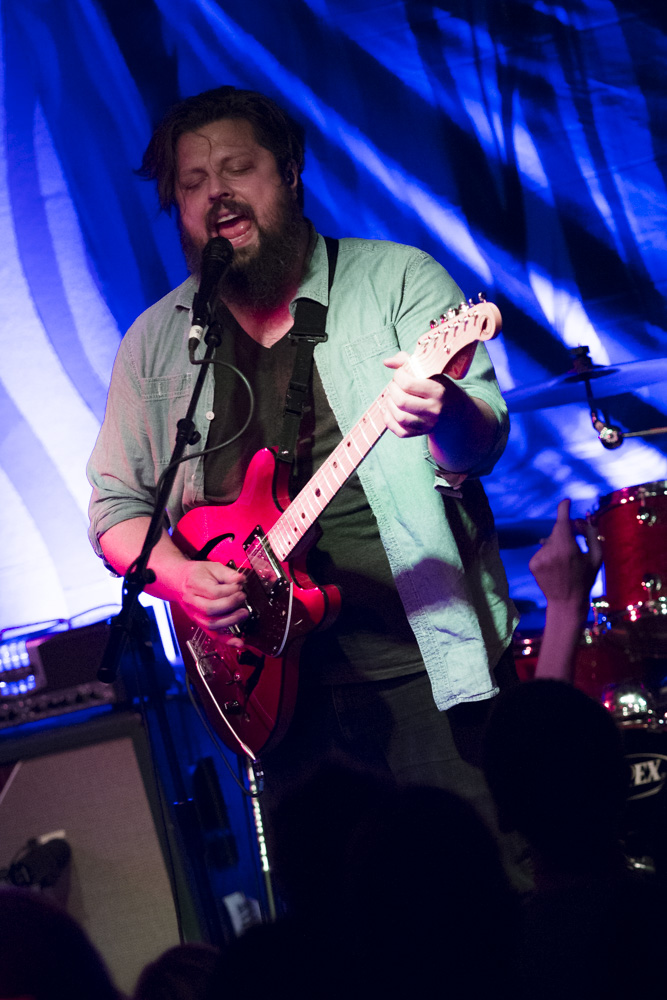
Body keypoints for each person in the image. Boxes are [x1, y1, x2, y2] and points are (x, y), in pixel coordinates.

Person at [87, 86, 518, 837]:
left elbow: (476, 448)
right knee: (339, 944)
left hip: (424, 667)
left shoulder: (395, 280)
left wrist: (443, 408)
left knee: (479, 902)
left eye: (237, 168)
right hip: (274, 699)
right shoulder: (156, 342)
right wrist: (183, 581)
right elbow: (115, 511)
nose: (215, 193)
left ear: (288, 173)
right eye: (191, 183)